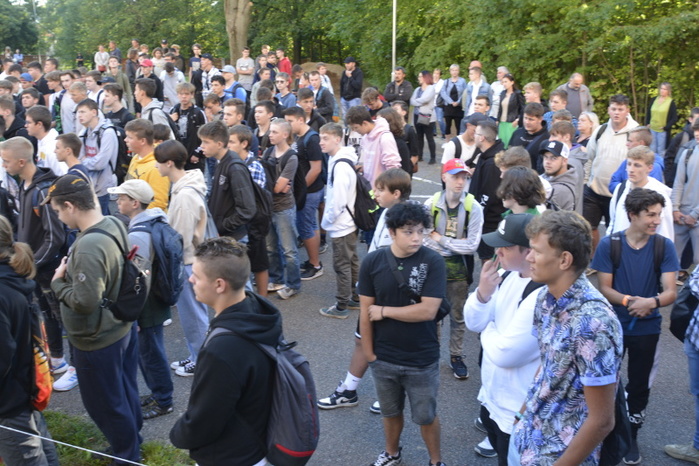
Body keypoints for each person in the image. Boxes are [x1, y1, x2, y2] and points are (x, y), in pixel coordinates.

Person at [511, 210, 623, 465]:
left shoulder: (593, 323)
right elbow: (548, 364)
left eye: (536, 251)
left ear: (564, 260)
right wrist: (521, 416)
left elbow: (602, 420)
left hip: (560, 456)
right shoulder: (544, 299)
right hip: (527, 441)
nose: (528, 257)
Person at [48, 175, 143, 464]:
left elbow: (85, 302)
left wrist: (58, 282)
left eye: (58, 211)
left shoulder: (89, 244)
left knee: (105, 404)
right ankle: (131, 442)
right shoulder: (112, 222)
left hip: (97, 338)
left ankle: (126, 456)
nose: (59, 217)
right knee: (124, 391)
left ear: (70, 206)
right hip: (120, 327)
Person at [169, 237, 282, 466]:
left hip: (231, 456)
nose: (191, 278)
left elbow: (205, 419)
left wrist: (178, 434)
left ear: (219, 285)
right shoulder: (257, 312)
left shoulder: (222, 350)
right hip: (257, 442)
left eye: (197, 275)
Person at [591, 188, 679, 464]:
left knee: (639, 386)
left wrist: (651, 302)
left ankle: (631, 437)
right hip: (613, 327)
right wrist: (631, 301)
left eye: (659, 215)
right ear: (632, 215)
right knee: (606, 382)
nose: (657, 220)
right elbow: (605, 288)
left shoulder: (664, 246)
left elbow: (671, 291)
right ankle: (604, 433)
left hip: (647, 329)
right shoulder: (610, 244)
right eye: (650, 215)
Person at [360, 202, 448, 466]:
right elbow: (365, 311)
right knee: (390, 413)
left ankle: (435, 461)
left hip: (421, 358)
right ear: (392, 232)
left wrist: (385, 311)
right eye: (409, 232)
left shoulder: (433, 261)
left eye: (420, 231)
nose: (417, 238)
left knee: (426, 416)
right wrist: (369, 354)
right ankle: (391, 453)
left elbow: (428, 311)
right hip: (383, 357)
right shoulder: (373, 261)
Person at [317, 168, 412, 412]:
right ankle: (348, 391)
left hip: (390, 294)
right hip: (373, 290)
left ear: (396, 193)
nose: (375, 194)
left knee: (391, 345)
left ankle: (393, 395)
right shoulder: (386, 212)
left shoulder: (407, 221)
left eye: (380, 190)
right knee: (362, 339)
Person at [464, 213, 541, 465]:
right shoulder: (506, 275)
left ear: (529, 251)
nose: (498, 251)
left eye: (505, 247)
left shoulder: (541, 293)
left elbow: (505, 354)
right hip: (492, 400)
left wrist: (488, 329)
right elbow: (473, 322)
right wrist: (482, 293)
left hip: (517, 412)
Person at [109, 179, 174, 420]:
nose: (118, 202)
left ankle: (164, 400)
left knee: (151, 354)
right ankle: (158, 393)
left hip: (146, 304)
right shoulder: (153, 221)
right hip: (154, 299)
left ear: (135, 203)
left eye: (122, 198)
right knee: (150, 351)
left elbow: (138, 278)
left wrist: (132, 313)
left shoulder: (138, 234)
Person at [0, 215, 59, 466]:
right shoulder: (12, 276)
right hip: (25, 386)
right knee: (42, 450)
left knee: (27, 456)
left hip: (9, 401)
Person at [423, 158, 483, 380]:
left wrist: (442, 240)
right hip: (435, 270)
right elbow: (423, 238)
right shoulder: (430, 204)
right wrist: (455, 245)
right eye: (455, 176)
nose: (460, 182)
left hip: (460, 272)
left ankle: (456, 355)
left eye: (464, 177)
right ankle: (433, 354)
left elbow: (472, 245)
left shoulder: (473, 207)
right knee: (433, 315)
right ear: (444, 177)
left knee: (458, 316)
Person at [154, 140, 210, 377]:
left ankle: (201, 360)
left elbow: (182, 238)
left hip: (187, 262)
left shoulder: (185, 194)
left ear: (169, 163)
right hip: (190, 260)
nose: (155, 166)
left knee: (194, 316)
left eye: (158, 162)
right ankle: (196, 355)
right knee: (192, 314)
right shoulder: (183, 187)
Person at [585, 94, 639, 254]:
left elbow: (640, 162)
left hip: (618, 193)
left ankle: (611, 260)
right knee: (588, 228)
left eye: (620, 109)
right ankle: (595, 259)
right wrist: (586, 181)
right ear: (609, 109)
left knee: (615, 231)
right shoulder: (600, 130)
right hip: (594, 190)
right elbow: (589, 157)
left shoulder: (635, 133)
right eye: (614, 109)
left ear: (627, 110)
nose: (616, 113)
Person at [318, 122, 360, 318]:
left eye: (325, 138)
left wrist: (327, 221)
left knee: (342, 264)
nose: (321, 142)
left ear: (337, 139)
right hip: (348, 222)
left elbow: (338, 200)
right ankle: (356, 297)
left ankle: (342, 306)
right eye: (321, 138)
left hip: (342, 224)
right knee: (351, 261)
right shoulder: (340, 160)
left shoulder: (340, 165)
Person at [283, 106, 325, 280]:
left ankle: (315, 265)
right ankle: (313, 261)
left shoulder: (311, 139)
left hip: (310, 192)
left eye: (290, 121)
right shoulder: (299, 136)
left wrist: (301, 189)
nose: (287, 125)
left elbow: (316, 169)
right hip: (307, 191)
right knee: (310, 226)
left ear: (301, 120)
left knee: (306, 227)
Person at [262, 119, 302, 300]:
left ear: (285, 135)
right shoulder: (268, 151)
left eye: (274, 132)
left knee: (289, 251)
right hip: (268, 207)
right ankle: (276, 279)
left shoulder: (291, 157)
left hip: (283, 208)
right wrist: (276, 186)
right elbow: (270, 184)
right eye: (270, 131)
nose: (270, 135)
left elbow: (277, 188)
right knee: (270, 248)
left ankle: (293, 285)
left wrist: (273, 186)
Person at [198, 120, 256, 240]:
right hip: (221, 235)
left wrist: (222, 227)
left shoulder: (235, 168)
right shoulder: (221, 162)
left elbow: (247, 210)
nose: (201, 146)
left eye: (206, 142)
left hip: (233, 238)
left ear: (219, 144)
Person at [608, 145, 673, 241]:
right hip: (619, 246)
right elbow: (613, 222)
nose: (631, 170)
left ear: (650, 168)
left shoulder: (659, 195)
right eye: (629, 164)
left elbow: (665, 233)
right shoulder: (620, 188)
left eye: (637, 165)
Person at [469, 120, 506, 260]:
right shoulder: (485, 156)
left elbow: (488, 195)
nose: (473, 136)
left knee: (488, 259)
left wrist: (476, 216)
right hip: (486, 219)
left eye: (476, 133)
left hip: (489, 222)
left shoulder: (491, 164)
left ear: (482, 138)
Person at [344, 106, 401, 186]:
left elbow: (393, 167)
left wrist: (384, 188)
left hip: (381, 188)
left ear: (365, 123)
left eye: (356, 127)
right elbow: (370, 163)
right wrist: (361, 168)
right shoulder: (365, 137)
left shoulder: (385, 138)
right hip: (369, 187)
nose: (355, 131)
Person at [123, 118, 171, 210]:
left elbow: (159, 203)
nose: (125, 140)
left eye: (130, 137)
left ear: (142, 141)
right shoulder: (136, 157)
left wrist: (136, 214)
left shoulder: (156, 167)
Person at [540, 139, 583, 213]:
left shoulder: (561, 190)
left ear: (564, 161)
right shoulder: (547, 176)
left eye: (553, 158)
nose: (547, 162)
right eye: (545, 157)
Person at [509, 102, 549, 173]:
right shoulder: (517, 133)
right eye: (525, 118)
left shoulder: (547, 138)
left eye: (531, 119)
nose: (527, 122)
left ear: (540, 119)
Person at [410, 70, 437, 164]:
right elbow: (411, 100)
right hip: (417, 115)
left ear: (426, 77)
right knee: (419, 137)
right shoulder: (417, 89)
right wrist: (418, 102)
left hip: (427, 116)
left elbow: (425, 99)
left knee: (429, 137)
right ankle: (419, 155)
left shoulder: (431, 88)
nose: (419, 78)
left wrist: (416, 102)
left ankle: (433, 157)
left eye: (420, 76)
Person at [646, 82, 678, 155]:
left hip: (662, 131)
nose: (662, 90)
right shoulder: (654, 99)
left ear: (668, 91)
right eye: (661, 88)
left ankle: (661, 162)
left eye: (665, 89)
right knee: (652, 150)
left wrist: (666, 127)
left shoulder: (670, 102)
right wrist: (647, 123)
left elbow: (674, 118)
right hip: (652, 129)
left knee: (661, 151)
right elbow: (648, 112)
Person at [439, 64, 466, 139]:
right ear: (450, 71)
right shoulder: (446, 81)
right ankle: (447, 142)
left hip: (459, 107)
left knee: (458, 126)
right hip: (448, 106)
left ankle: (458, 142)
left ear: (458, 71)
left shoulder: (462, 81)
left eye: (456, 70)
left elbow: (465, 92)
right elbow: (443, 92)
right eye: (453, 70)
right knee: (448, 125)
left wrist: (458, 101)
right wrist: (451, 102)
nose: (454, 72)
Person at [497, 73, 524, 148]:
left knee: (510, 143)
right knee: (502, 144)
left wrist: (518, 119)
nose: (504, 84)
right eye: (503, 82)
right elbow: (500, 108)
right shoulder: (502, 93)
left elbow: (522, 108)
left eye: (506, 82)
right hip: (502, 122)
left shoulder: (517, 94)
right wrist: (497, 119)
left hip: (512, 122)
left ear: (512, 82)